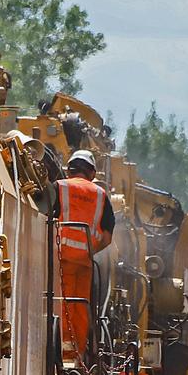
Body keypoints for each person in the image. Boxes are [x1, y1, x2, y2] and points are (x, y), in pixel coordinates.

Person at [53, 150, 114, 363]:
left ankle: (62, 352)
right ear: (93, 172)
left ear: (69, 169)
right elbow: (107, 238)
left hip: (61, 259)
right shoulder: (101, 195)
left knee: (62, 305)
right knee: (80, 307)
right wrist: (88, 250)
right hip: (85, 262)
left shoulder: (59, 187)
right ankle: (75, 356)